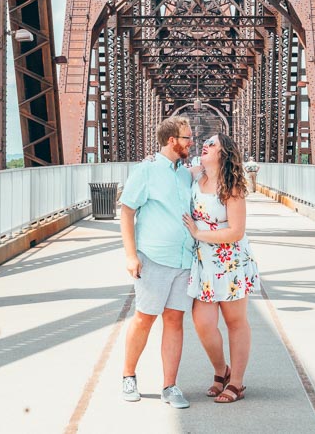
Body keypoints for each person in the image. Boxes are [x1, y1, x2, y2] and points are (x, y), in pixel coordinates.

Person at [118, 116, 196, 409]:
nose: (192, 142)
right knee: (145, 318)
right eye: (187, 138)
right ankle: (128, 376)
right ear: (172, 140)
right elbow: (126, 211)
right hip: (154, 257)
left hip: (183, 258)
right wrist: (130, 254)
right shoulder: (147, 170)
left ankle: (170, 386)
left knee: (175, 320)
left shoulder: (186, 173)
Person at [183, 133, 260, 404]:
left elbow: (236, 232)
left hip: (229, 261)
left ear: (224, 153)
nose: (205, 145)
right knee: (203, 324)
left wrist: (198, 233)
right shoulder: (195, 176)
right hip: (203, 262)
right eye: (205, 143)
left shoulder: (233, 186)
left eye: (212, 144)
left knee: (235, 322)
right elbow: (168, 171)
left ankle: (236, 383)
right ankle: (221, 370)